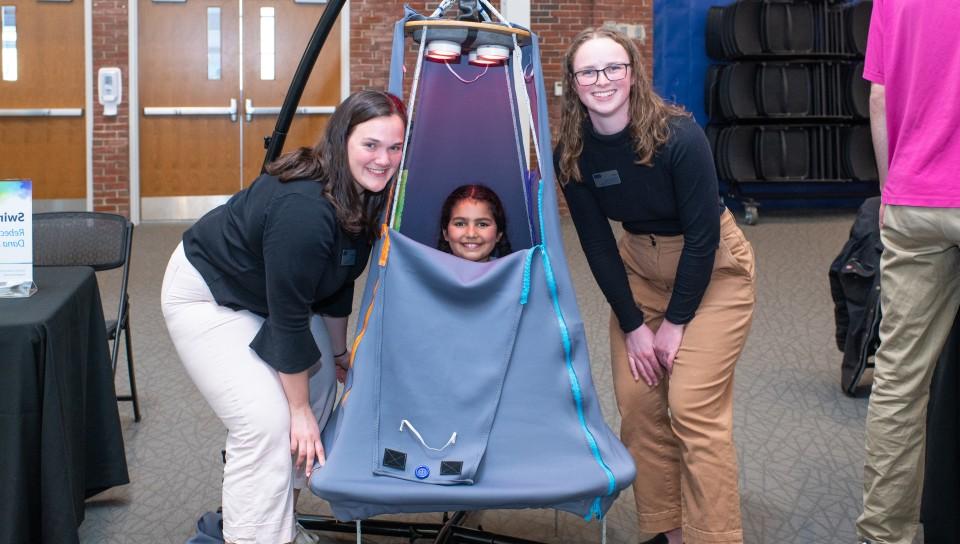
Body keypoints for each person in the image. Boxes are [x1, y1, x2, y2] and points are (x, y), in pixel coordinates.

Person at [160, 89, 406, 544]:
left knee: (319, 393)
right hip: (211, 293)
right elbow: (290, 320)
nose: (383, 159)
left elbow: (337, 281)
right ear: (341, 139)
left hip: (274, 295)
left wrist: (337, 353)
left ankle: (275, 524)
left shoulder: (368, 194)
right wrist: (295, 411)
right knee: (267, 421)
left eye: (395, 147)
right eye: (370, 145)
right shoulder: (306, 210)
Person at [555, 27, 756, 544]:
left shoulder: (677, 135)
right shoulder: (573, 152)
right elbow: (598, 247)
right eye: (588, 72)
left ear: (633, 73)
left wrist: (675, 324)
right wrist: (634, 326)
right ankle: (668, 531)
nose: (602, 80)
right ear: (573, 83)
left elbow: (702, 236)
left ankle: (713, 537)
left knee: (692, 407)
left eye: (613, 68)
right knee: (639, 404)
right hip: (639, 270)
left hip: (712, 269)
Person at [856, 1, 960, 543]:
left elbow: (880, 96)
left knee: (898, 378)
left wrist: (890, 192)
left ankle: (883, 534)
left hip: (914, 198)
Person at [437, 183, 512, 262]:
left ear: (498, 234)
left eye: (482, 224)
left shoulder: (518, 273)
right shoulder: (428, 273)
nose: (471, 234)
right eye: (460, 224)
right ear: (445, 233)